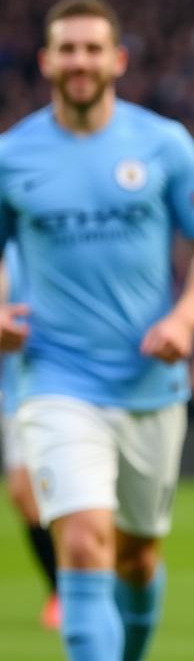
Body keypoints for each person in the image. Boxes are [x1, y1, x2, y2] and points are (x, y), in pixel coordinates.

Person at [0, 0, 194, 661]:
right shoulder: (12, 156)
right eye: (67, 49)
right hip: (55, 378)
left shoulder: (161, 144)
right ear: (46, 61)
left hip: (149, 382)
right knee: (81, 542)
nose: (80, 61)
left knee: (136, 559)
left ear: (118, 60)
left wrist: (185, 318)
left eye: (92, 49)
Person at [1, 245, 60, 630]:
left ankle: (82, 585)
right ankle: (62, 590)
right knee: (24, 495)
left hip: (63, 380)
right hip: (15, 386)